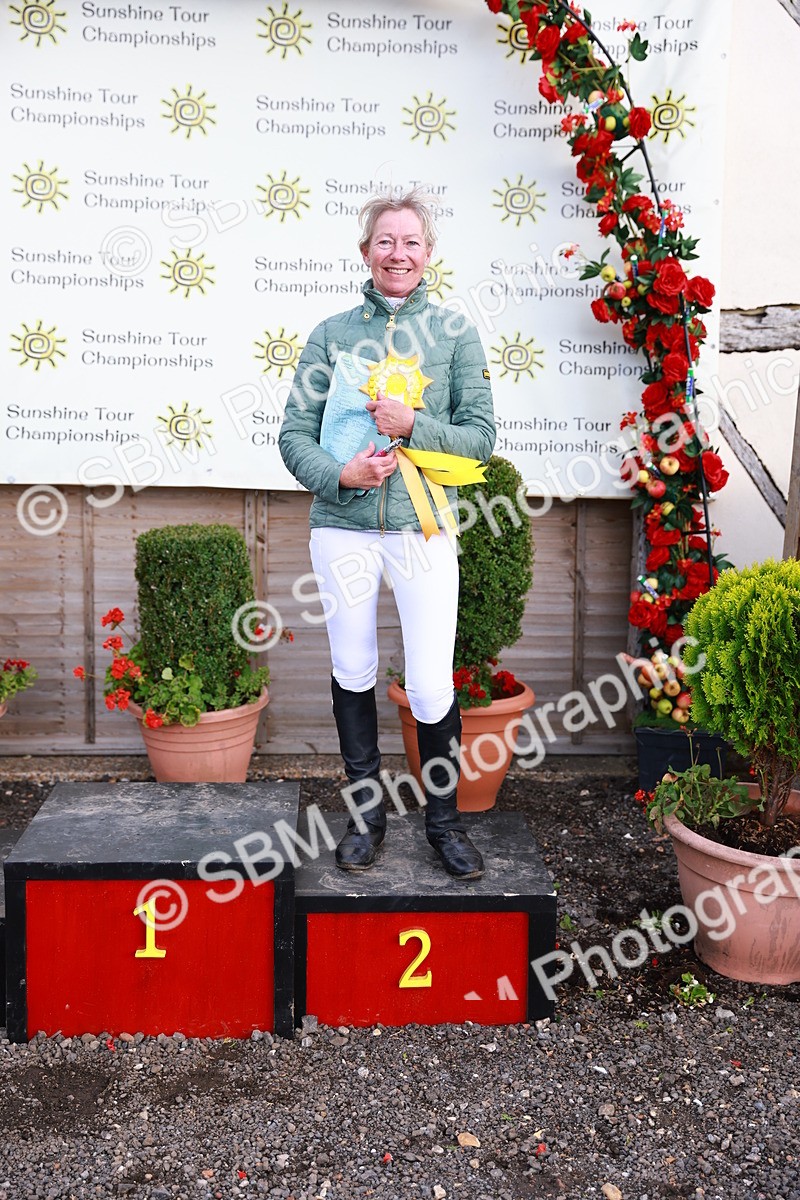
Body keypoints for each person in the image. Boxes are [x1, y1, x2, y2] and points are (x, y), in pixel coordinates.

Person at [279, 186, 496, 879]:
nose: (397, 253)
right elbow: (292, 437)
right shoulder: (331, 334)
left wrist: (413, 427)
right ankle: (366, 820)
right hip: (342, 530)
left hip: (422, 531)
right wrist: (342, 474)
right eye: (385, 241)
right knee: (354, 669)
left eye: (410, 242)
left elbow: (480, 442)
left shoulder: (457, 334)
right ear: (366, 252)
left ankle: (444, 824)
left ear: (429, 254)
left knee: (431, 684)